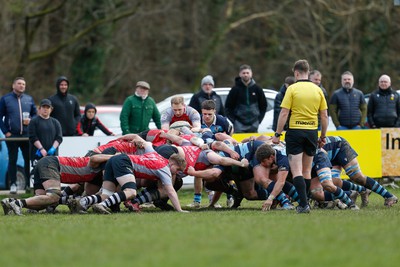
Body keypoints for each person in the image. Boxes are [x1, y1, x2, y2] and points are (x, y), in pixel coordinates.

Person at [272, 59, 328, 213]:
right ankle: (306, 202)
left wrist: (277, 134)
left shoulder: (292, 89)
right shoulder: (318, 90)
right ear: (308, 72)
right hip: (311, 132)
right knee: (307, 170)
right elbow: (324, 116)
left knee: (296, 170)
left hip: (295, 131)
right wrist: (322, 135)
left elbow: (284, 113)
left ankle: (303, 205)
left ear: (296, 73)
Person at [0, 154, 107, 215]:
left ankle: (10, 202)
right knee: (53, 197)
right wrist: (115, 156)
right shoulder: (95, 164)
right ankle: (18, 203)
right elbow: (74, 187)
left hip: (45, 162)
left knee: (41, 204)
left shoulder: (92, 174)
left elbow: (74, 188)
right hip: (51, 164)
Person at [0, 77, 37, 193]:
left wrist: (30, 120)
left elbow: (35, 115)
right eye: (19, 83)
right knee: (12, 159)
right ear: (13, 85)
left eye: (24, 84)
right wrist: (6, 131)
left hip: (26, 135)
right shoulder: (5, 99)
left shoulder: (29, 99)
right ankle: (13, 184)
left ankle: (27, 184)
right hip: (12, 135)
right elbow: (0, 117)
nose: (22, 86)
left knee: (27, 160)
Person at [225, 64, 267, 133]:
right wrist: (234, 121)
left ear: (251, 74)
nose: (246, 75)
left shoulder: (257, 89)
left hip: (254, 124)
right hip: (239, 124)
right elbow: (228, 107)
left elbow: (263, 105)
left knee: (254, 143)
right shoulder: (235, 89)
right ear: (240, 74)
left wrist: (258, 120)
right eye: (243, 73)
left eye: (247, 73)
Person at [28, 99, 63, 166]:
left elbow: (59, 138)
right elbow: (33, 137)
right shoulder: (34, 121)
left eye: (48, 107)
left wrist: (53, 148)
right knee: (37, 174)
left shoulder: (55, 122)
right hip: (37, 155)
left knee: (52, 175)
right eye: (43, 107)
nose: (45, 109)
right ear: (39, 109)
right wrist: (41, 149)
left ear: (51, 109)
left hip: (52, 155)